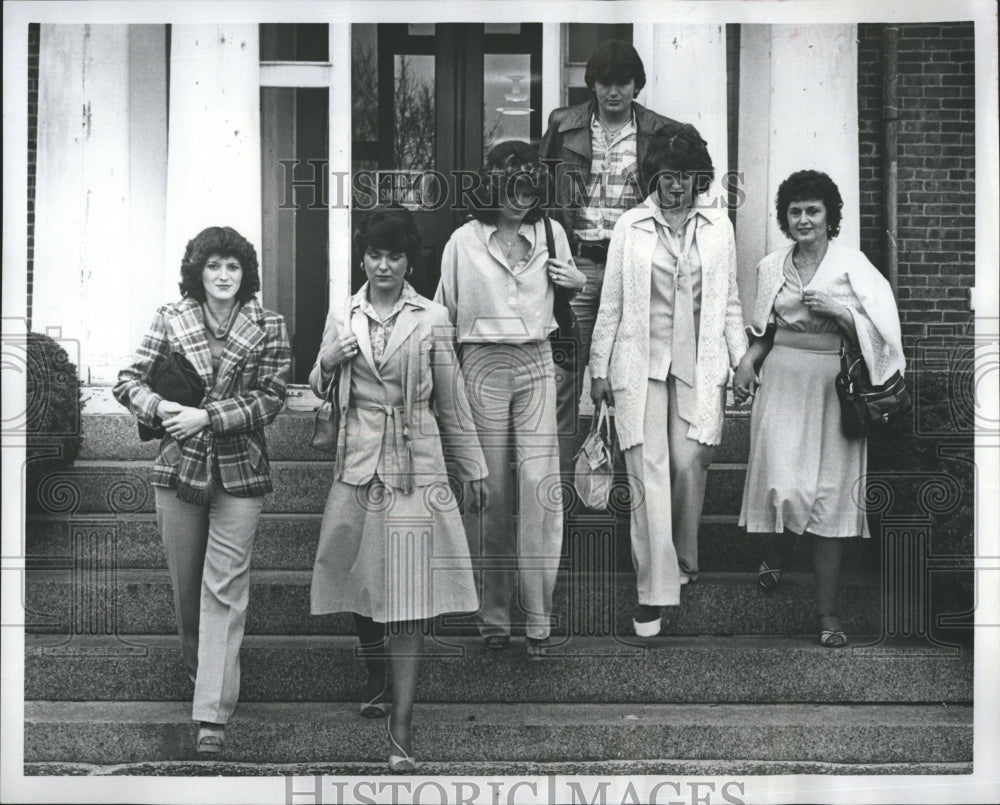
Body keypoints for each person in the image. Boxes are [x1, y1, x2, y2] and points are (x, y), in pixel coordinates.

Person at [309, 207, 488, 773]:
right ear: (362, 257)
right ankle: (376, 669)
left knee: (408, 597)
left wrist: (472, 467)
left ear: (410, 261)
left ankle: (402, 725)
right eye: (375, 254)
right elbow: (319, 384)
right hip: (359, 460)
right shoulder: (345, 312)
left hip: (417, 463)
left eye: (394, 255)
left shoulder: (432, 317)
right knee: (359, 579)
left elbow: (452, 399)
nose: (384, 265)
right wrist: (327, 360)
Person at [114, 226, 291, 754]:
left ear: (245, 274)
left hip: (241, 470)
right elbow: (128, 379)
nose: (223, 275)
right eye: (213, 266)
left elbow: (273, 396)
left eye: (233, 267)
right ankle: (204, 676)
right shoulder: (172, 317)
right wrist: (162, 410)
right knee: (188, 592)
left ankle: (211, 715)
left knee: (225, 588)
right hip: (177, 468)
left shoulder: (269, 323)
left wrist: (207, 416)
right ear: (198, 272)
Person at [589, 125, 748, 637]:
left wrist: (741, 361)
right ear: (651, 175)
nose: (675, 186)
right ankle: (653, 595)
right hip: (639, 366)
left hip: (698, 366)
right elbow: (610, 304)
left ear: (698, 177)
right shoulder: (630, 227)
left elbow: (728, 303)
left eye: (684, 176)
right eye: (665, 176)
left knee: (688, 463)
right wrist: (598, 369)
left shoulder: (718, 227)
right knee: (648, 474)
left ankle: (683, 556)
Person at [737, 170, 905, 647]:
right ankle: (777, 550)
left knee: (829, 496)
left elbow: (886, 335)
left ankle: (828, 614)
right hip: (784, 380)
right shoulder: (771, 266)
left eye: (813, 210)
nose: (804, 219)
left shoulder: (854, 265)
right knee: (783, 484)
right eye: (795, 211)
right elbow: (763, 331)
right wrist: (749, 362)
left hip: (836, 387)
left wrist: (843, 313)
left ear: (830, 216)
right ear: (784, 219)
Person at [435, 140, 585, 658]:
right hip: (480, 367)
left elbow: (570, 292)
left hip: (537, 362)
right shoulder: (462, 241)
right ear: (493, 186)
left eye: (530, 189)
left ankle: (539, 617)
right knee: (489, 496)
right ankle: (493, 615)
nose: (522, 199)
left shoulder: (551, 232)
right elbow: (443, 316)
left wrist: (577, 279)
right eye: (513, 187)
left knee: (542, 490)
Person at [540, 39, 679, 469]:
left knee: (631, 379)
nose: (613, 91)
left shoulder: (662, 131)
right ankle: (559, 496)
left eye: (622, 82)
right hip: (576, 262)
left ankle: (626, 494)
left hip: (634, 265)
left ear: (637, 85)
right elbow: (542, 193)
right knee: (563, 379)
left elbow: (682, 194)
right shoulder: (564, 126)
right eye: (605, 83)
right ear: (593, 85)